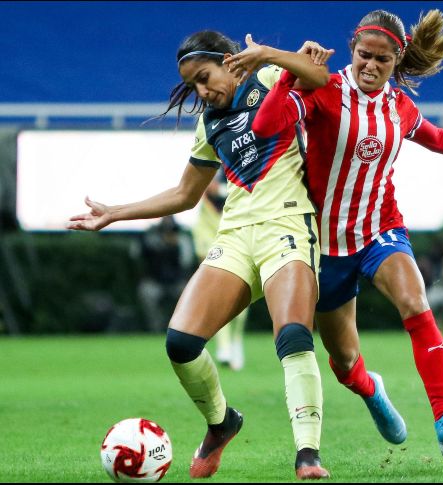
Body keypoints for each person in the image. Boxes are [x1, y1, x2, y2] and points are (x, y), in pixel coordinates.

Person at [226, 9, 443, 459]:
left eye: (382, 60)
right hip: (323, 246)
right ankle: (370, 389)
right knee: (343, 363)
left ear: (396, 61)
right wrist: (285, 73)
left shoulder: (398, 106)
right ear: (353, 49)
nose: (370, 66)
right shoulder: (324, 89)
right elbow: (264, 126)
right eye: (364, 56)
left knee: (416, 301)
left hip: (380, 228)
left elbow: (438, 137)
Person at [67, 30, 334, 480]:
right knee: (181, 343)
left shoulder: (270, 76)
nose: (201, 91)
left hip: (288, 225)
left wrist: (270, 52)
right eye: (193, 85)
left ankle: (307, 453)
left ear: (230, 61)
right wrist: (115, 212)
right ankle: (221, 423)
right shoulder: (208, 122)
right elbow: (185, 194)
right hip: (234, 235)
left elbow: (321, 77)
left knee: (292, 337)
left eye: (204, 78)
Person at [191, 171, 248, 371]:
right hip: (217, 265)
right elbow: (200, 242)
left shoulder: (234, 200)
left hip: (241, 261)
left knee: (240, 311)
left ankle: (236, 342)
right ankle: (224, 348)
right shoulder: (203, 213)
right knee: (219, 305)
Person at [135, 215, 195, 332]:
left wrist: (175, 246)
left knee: (188, 293)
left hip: (177, 281)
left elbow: (186, 262)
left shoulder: (182, 238)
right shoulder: (150, 238)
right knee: (146, 292)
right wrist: (159, 246)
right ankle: (155, 329)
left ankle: (183, 329)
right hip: (155, 281)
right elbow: (138, 255)